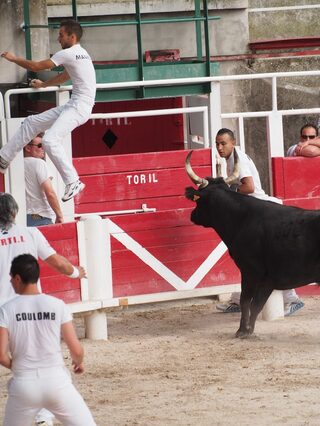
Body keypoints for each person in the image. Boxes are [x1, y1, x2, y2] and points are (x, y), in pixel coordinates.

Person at [0, 192, 86, 425]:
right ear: (15, 213)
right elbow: (56, 261)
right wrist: (77, 272)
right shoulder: (29, 232)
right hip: (33, 308)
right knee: (42, 359)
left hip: (4, 312)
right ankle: (43, 416)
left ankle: (41, 415)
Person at [0, 19, 96, 202]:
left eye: (61, 35)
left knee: (50, 140)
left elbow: (36, 66)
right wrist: (44, 85)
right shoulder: (81, 54)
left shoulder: (69, 53)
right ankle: (4, 158)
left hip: (79, 107)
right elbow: (66, 75)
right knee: (31, 122)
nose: (58, 38)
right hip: (75, 105)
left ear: (72, 36)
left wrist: (14, 59)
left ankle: (73, 181)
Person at [215, 128, 304, 316]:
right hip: (256, 213)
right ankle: (239, 300)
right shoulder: (233, 158)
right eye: (217, 143)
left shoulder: (238, 159)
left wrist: (228, 195)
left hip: (262, 214)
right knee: (251, 259)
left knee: (265, 258)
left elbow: (249, 187)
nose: (220, 147)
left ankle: (292, 299)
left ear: (233, 142)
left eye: (223, 143)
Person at [0, 254, 96, 426]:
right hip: (57, 382)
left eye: (11, 279)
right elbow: (77, 350)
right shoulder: (57, 304)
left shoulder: (6, 309)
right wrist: (78, 362)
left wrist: (20, 367)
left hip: (24, 385)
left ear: (17, 278)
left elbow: (1, 355)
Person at [24, 133, 64, 226]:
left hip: (23, 217)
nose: (43, 148)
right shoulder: (39, 163)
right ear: (28, 148)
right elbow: (49, 192)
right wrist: (59, 215)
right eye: (40, 145)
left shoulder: (15, 166)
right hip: (40, 217)